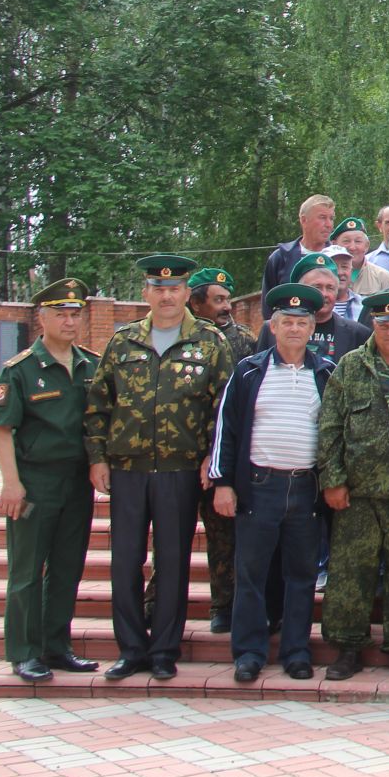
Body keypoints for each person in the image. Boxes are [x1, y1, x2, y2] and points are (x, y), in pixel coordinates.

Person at [84, 253, 234, 682]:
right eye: (158, 288)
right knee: (124, 560)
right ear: (146, 293)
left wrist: (213, 457)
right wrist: (97, 458)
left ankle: (165, 649)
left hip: (181, 469)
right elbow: (98, 405)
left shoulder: (209, 342)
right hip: (127, 469)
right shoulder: (123, 341)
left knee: (173, 561)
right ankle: (131, 649)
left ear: (187, 294)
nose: (167, 296)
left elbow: (223, 408)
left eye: (174, 289)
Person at [210, 282, 333, 682]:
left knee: (300, 575)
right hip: (259, 487)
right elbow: (226, 429)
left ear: (312, 328)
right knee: (252, 574)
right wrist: (223, 482)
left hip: (305, 490)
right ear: (273, 326)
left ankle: (296, 651)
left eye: (302, 322)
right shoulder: (249, 371)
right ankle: (249, 651)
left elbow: (333, 434)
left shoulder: (325, 373)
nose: (295, 329)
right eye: (287, 322)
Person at [316, 290, 389, 680]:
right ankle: (348, 647)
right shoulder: (350, 367)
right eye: (384, 325)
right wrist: (332, 479)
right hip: (358, 493)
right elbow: (330, 426)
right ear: (373, 326)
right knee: (351, 573)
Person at [0, 278, 101, 683]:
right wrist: (10, 483)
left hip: (77, 482)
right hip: (35, 480)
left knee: (68, 568)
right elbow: (3, 430)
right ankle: (24, 651)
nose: (70, 322)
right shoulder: (19, 370)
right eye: (61, 314)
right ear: (42, 317)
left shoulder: (91, 364)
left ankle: (57, 647)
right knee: (27, 570)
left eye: (76, 314)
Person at [184, 265, 251, 634]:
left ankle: (223, 605)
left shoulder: (244, 339)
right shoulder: (183, 338)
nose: (227, 306)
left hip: (223, 454)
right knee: (170, 539)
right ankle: (155, 604)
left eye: (228, 299)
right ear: (196, 303)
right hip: (182, 454)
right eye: (218, 300)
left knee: (224, 537)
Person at [258, 254, 370, 364]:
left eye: (330, 288)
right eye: (317, 287)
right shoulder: (271, 329)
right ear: (299, 290)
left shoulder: (358, 334)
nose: (324, 294)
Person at [263, 195, 336, 314]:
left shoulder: (339, 258)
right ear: (303, 220)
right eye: (322, 218)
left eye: (331, 218)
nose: (329, 224)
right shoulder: (281, 258)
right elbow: (268, 306)